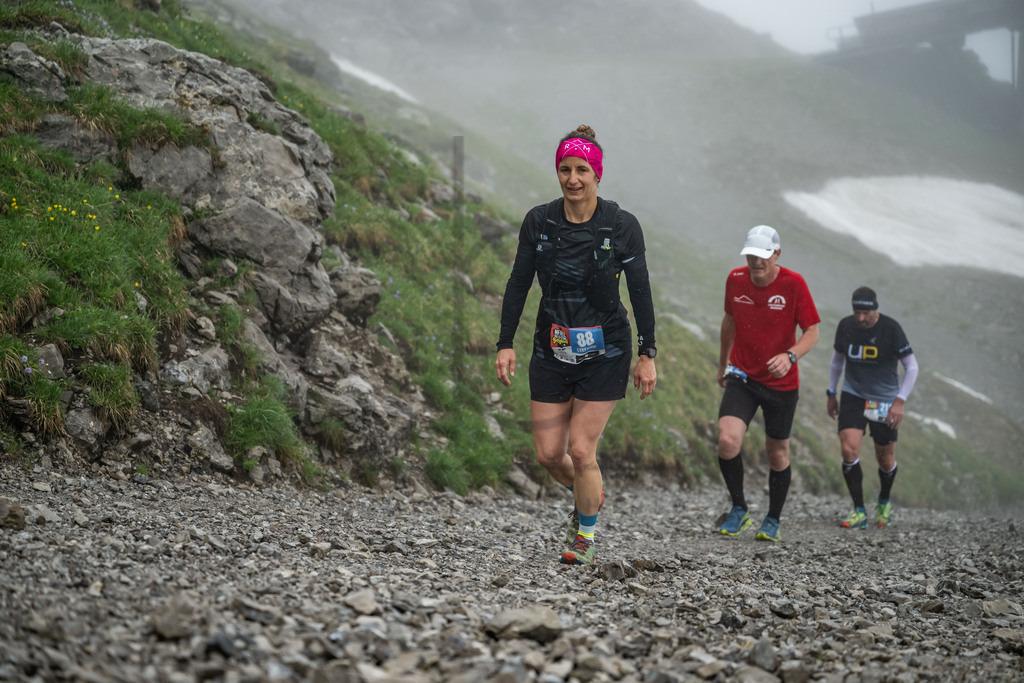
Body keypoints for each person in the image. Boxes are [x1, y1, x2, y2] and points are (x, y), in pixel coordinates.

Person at [495, 124, 657, 566]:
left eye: (582, 169)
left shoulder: (622, 226)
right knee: (550, 454)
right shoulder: (539, 221)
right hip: (552, 346)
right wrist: (505, 342)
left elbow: (640, 292)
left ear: (597, 174)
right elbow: (518, 284)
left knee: (582, 450)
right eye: (565, 169)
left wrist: (647, 354)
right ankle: (590, 494)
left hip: (606, 351)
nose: (572, 179)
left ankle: (584, 535)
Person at [715, 225, 820, 542]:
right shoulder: (735, 279)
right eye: (751, 255)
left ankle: (772, 519)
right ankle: (739, 509)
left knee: (777, 453)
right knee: (727, 440)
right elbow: (729, 321)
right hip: (743, 375)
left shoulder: (794, 284)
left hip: (781, 381)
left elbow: (812, 332)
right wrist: (723, 363)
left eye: (762, 255)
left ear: (776, 254)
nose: (756, 262)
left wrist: (790, 356)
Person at [827, 286, 918, 529]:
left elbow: (912, 367)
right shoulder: (846, 326)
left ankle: (884, 501)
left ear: (875, 310)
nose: (860, 318)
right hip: (853, 395)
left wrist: (899, 401)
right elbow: (837, 362)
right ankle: (858, 510)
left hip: (885, 400)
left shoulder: (891, 328)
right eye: (857, 312)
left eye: (865, 313)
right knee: (848, 450)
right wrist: (831, 392)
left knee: (885, 457)